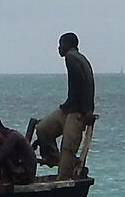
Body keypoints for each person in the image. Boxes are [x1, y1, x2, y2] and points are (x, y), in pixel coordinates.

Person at [36, 31, 96, 180]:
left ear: (67, 44)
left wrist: (87, 111)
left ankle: (63, 179)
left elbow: (83, 83)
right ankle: (55, 159)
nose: (58, 48)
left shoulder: (71, 57)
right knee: (42, 129)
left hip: (78, 112)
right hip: (68, 108)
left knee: (68, 148)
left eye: (60, 44)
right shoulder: (79, 58)